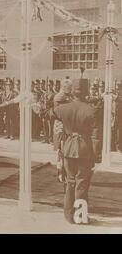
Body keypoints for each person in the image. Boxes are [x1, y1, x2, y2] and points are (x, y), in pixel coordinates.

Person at [53, 78, 102, 224]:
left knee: (70, 182)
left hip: (68, 149)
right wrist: (96, 156)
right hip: (85, 150)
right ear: (86, 94)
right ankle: (80, 217)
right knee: (82, 184)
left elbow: (52, 118)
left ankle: (69, 216)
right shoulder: (91, 110)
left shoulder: (62, 109)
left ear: (72, 93)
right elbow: (96, 137)